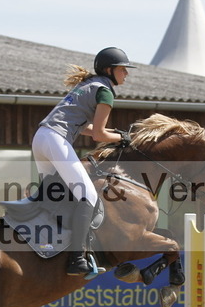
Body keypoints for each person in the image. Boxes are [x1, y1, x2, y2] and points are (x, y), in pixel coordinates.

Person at [32, 47, 136, 275]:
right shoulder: (105, 91)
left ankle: (44, 243)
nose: (126, 74)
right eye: (123, 69)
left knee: (53, 194)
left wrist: (115, 133)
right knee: (88, 196)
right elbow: (99, 135)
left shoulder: (89, 84)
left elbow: (85, 127)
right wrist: (124, 138)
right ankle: (76, 259)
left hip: (41, 138)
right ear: (109, 70)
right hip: (55, 140)